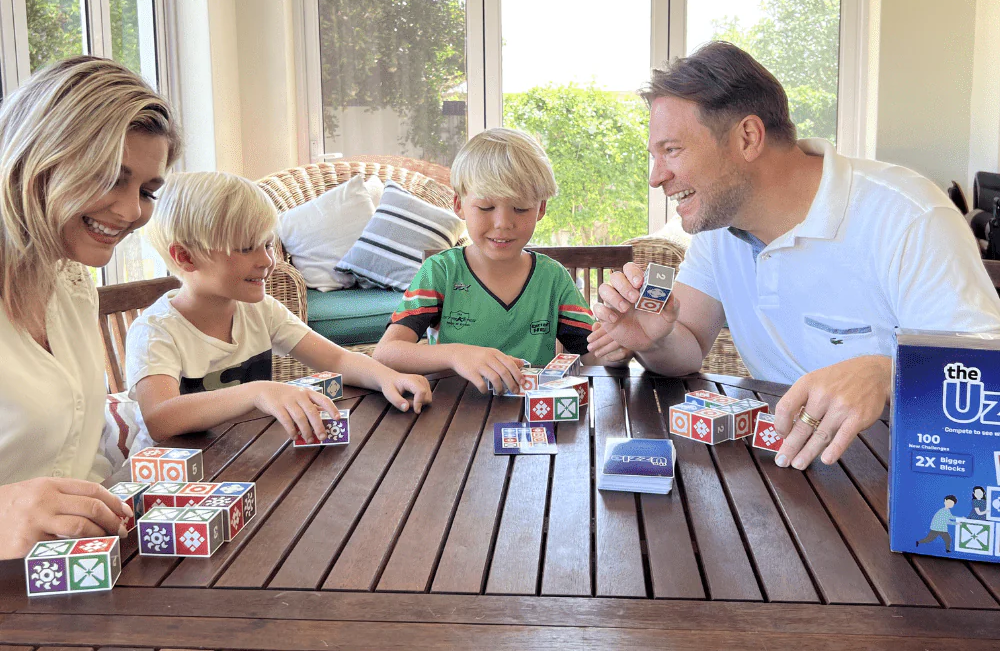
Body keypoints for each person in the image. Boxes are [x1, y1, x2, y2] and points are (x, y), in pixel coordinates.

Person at [588, 41, 1000, 469]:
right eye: (655, 155)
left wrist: (885, 373)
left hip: (902, 475)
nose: (657, 177)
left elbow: (988, 370)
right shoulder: (720, 226)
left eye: (671, 150)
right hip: (785, 470)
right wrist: (655, 339)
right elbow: (688, 345)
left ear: (748, 137)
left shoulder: (909, 215)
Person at [0, 56, 181, 559]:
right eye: (107, 177)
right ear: (36, 158)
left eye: (146, 191)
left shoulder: (73, 280)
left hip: (75, 585)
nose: (130, 212)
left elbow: (77, 454)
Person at [126, 171, 432, 444]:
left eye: (268, 244)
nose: (267, 261)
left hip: (240, 457)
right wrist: (258, 391)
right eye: (247, 248)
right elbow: (161, 419)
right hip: (174, 487)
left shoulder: (261, 311)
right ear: (186, 257)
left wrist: (385, 376)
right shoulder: (156, 332)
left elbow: (337, 359)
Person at [374, 128, 626, 392]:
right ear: (458, 204)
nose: (503, 223)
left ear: (541, 208)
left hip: (532, 417)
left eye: (520, 208)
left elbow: (592, 356)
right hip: (452, 417)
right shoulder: (440, 272)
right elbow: (386, 353)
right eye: (486, 207)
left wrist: (619, 346)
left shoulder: (554, 279)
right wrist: (456, 354)